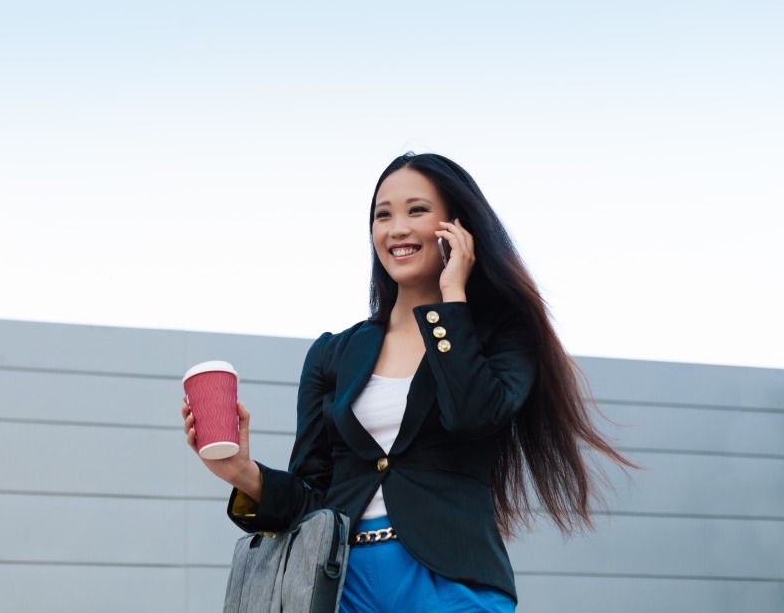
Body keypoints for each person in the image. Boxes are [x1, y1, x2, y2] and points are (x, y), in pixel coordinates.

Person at [182, 152, 633, 612]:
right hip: (342, 583)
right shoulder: (332, 354)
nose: (396, 228)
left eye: (416, 210)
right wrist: (243, 473)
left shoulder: (500, 335)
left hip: (453, 583)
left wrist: (453, 299)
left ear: (457, 227)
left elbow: (472, 414)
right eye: (383, 215)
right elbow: (313, 497)